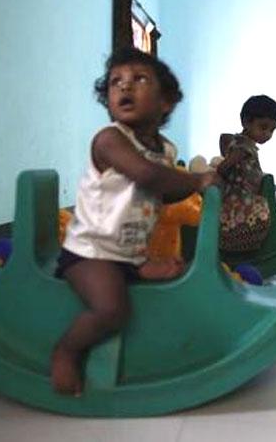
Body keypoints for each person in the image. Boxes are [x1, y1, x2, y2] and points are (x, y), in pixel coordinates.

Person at [52, 48, 220, 395]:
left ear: (167, 102)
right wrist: (198, 181)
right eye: (116, 82)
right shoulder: (110, 139)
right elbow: (146, 176)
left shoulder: (166, 151)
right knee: (112, 309)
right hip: (91, 251)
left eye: (139, 79)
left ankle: (140, 276)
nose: (125, 86)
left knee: (177, 269)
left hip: (130, 250)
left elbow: (164, 192)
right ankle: (66, 351)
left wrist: (198, 187)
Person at [216, 95, 276, 252]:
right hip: (240, 197)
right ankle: (245, 245)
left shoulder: (241, 142)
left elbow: (225, 138)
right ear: (246, 122)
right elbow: (224, 166)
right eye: (263, 127)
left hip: (244, 192)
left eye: (272, 130)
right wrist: (220, 174)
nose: (267, 134)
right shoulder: (244, 147)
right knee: (261, 213)